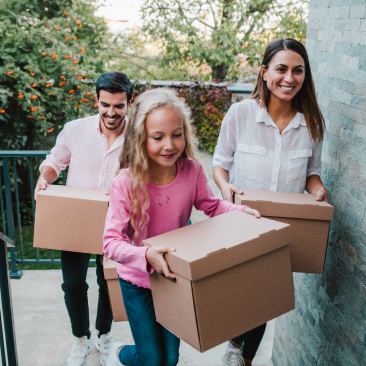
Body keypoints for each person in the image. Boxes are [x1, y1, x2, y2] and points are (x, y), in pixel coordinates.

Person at [102, 88, 261, 366]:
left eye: (176, 134)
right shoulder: (125, 182)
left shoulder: (192, 171)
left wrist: (240, 211)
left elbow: (211, 205)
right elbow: (111, 243)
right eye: (158, 137)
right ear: (141, 138)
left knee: (170, 359)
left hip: (172, 278)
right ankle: (120, 353)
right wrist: (146, 255)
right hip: (137, 279)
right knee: (151, 360)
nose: (169, 145)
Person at [213, 37, 328, 366]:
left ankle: (244, 360)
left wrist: (318, 191)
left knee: (264, 299)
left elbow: (312, 173)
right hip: (239, 223)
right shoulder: (240, 115)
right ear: (264, 72)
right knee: (239, 296)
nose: (289, 78)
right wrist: (225, 187)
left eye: (298, 70)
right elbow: (220, 164)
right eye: (281, 69)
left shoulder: (312, 125)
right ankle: (234, 339)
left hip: (281, 228)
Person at [34, 71, 133, 366]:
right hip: (76, 220)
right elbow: (55, 162)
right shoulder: (75, 130)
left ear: (130, 101)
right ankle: (81, 338)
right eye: (105, 105)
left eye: (118, 106)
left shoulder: (138, 136)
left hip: (116, 222)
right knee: (73, 285)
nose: (111, 112)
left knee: (108, 284)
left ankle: (104, 336)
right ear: (96, 100)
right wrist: (44, 178)